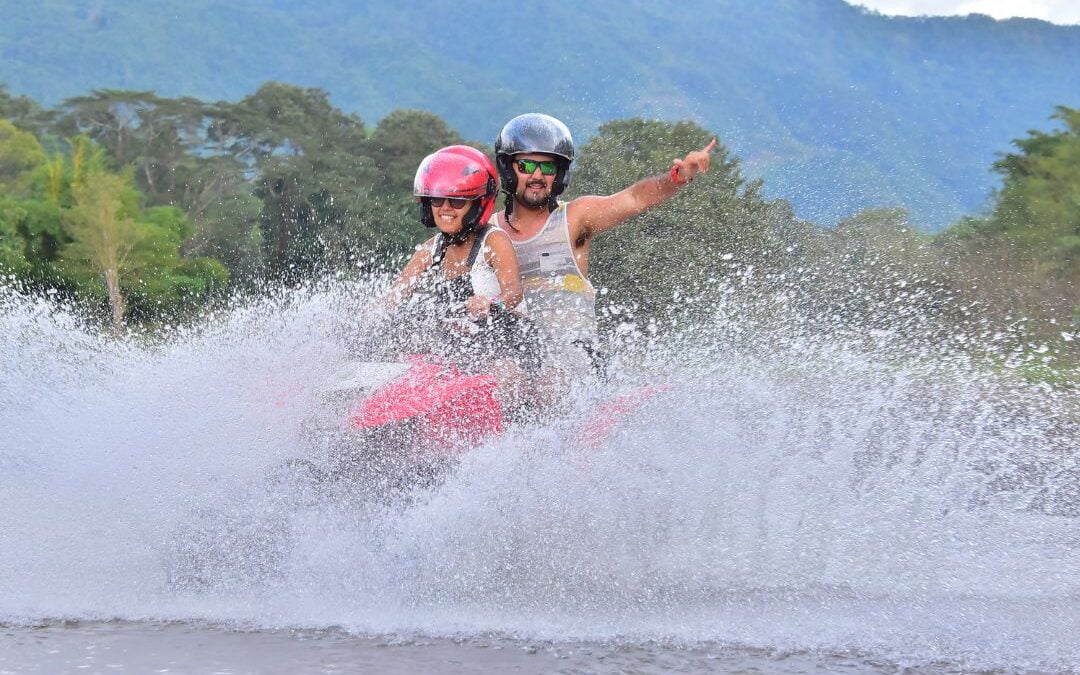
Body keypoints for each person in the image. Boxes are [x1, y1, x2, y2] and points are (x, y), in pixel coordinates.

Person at [491, 113, 716, 381]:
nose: (538, 176)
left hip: (575, 356)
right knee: (503, 376)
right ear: (508, 169)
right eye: (526, 166)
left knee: (550, 380)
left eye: (548, 168)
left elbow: (634, 198)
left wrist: (678, 178)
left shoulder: (576, 218)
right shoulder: (488, 232)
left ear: (559, 174)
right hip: (520, 353)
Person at [384, 144, 538, 385]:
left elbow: (514, 293)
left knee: (505, 373)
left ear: (477, 204)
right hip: (463, 352)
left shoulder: (494, 241)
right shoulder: (430, 250)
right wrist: (357, 320)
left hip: (510, 345)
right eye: (437, 199)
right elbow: (394, 296)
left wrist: (489, 303)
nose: (445, 208)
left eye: (457, 201)